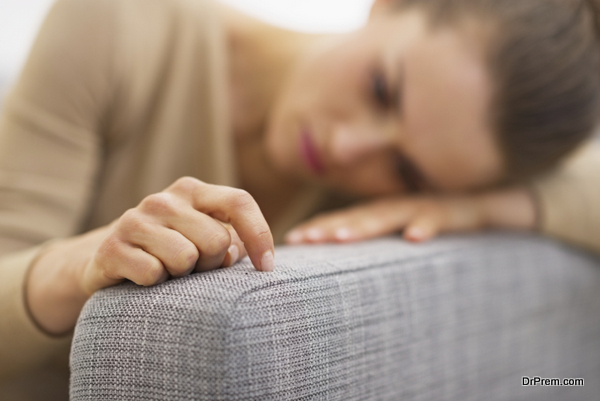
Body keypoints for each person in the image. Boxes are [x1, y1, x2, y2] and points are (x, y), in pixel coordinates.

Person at [1, 0, 599, 398]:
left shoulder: (441, 181)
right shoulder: (121, 22)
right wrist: (82, 268)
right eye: (381, 89)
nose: (346, 146)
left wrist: (481, 209)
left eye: (406, 171)